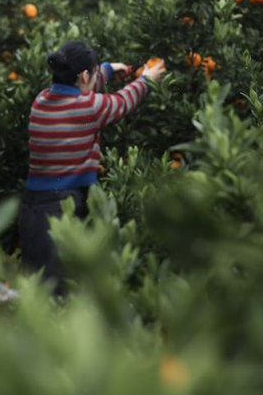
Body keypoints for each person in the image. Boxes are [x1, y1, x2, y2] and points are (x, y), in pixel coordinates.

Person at [19, 41, 166, 295]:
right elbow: (122, 101)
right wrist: (147, 79)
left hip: (32, 208)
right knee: (58, 291)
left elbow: (76, 91)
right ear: (85, 75)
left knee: (35, 285)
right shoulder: (91, 108)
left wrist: (108, 70)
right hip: (61, 206)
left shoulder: (41, 100)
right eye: (95, 73)